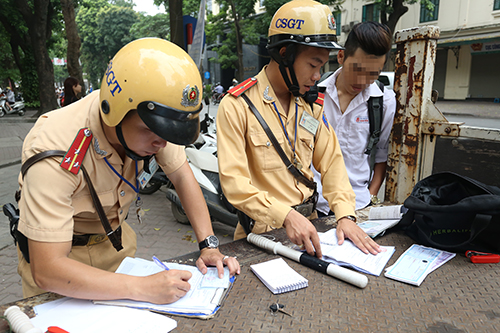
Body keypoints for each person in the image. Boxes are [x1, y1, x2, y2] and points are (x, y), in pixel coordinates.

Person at [16, 38, 240, 302]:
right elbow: (48, 268)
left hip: (117, 253)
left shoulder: (152, 124)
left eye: (168, 133)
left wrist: (209, 246)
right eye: (153, 132)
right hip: (63, 273)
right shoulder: (55, 149)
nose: (162, 144)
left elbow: (181, 174)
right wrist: (142, 288)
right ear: (117, 112)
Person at [216, 0, 383, 258]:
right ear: (284, 54)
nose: (318, 76)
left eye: (322, 67)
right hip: (261, 236)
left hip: (311, 230)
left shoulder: (311, 105)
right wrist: (285, 215)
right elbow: (234, 184)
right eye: (313, 65)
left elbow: (332, 163)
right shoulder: (238, 106)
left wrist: (345, 216)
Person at [313, 21, 396, 213]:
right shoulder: (313, 95)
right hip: (314, 204)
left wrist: (371, 196)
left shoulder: (384, 102)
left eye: (373, 74)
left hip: (357, 205)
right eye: (357, 69)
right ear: (341, 56)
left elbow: (381, 156)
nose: (363, 81)